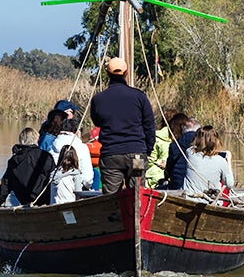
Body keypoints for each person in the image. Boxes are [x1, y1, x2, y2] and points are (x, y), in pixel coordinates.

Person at [88, 56, 156, 193]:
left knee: (112, 200)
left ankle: (115, 215)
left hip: (111, 155)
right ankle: (135, 214)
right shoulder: (139, 97)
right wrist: (147, 150)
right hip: (136, 152)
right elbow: (149, 126)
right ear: (126, 73)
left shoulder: (98, 99)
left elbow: (97, 122)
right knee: (137, 196)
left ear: (107, 74)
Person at [0, 126, 55, 207]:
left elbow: (6, 184)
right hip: (44, 199)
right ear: (36, 139)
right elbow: (54, 175)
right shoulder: (43, 156)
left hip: (24, 201)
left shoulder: (13, 160)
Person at [181, 127, 235, 196]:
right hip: (211, 201)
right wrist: (229, 161)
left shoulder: (190, 153)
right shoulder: (221, 161)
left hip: (189, 197)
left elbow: (193, 147)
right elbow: (229, 184)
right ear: (217, 141)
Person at [48, 111, 95, 187]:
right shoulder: (82, 148)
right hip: (77, 190)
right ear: (76, 131)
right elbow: (88, 178)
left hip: (54, 189)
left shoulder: (51, 147)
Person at [146, 108, 182, 186]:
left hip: (154, 175)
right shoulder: (181, 138)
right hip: (174, 177)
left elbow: (150, 159)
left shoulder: (156, 136)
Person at [161, 115, 199, 190]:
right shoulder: (203, 146)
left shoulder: (174, 145)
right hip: (198, 186)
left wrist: (166, 177)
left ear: (184, 129)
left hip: (177, 185)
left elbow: (169, 169)